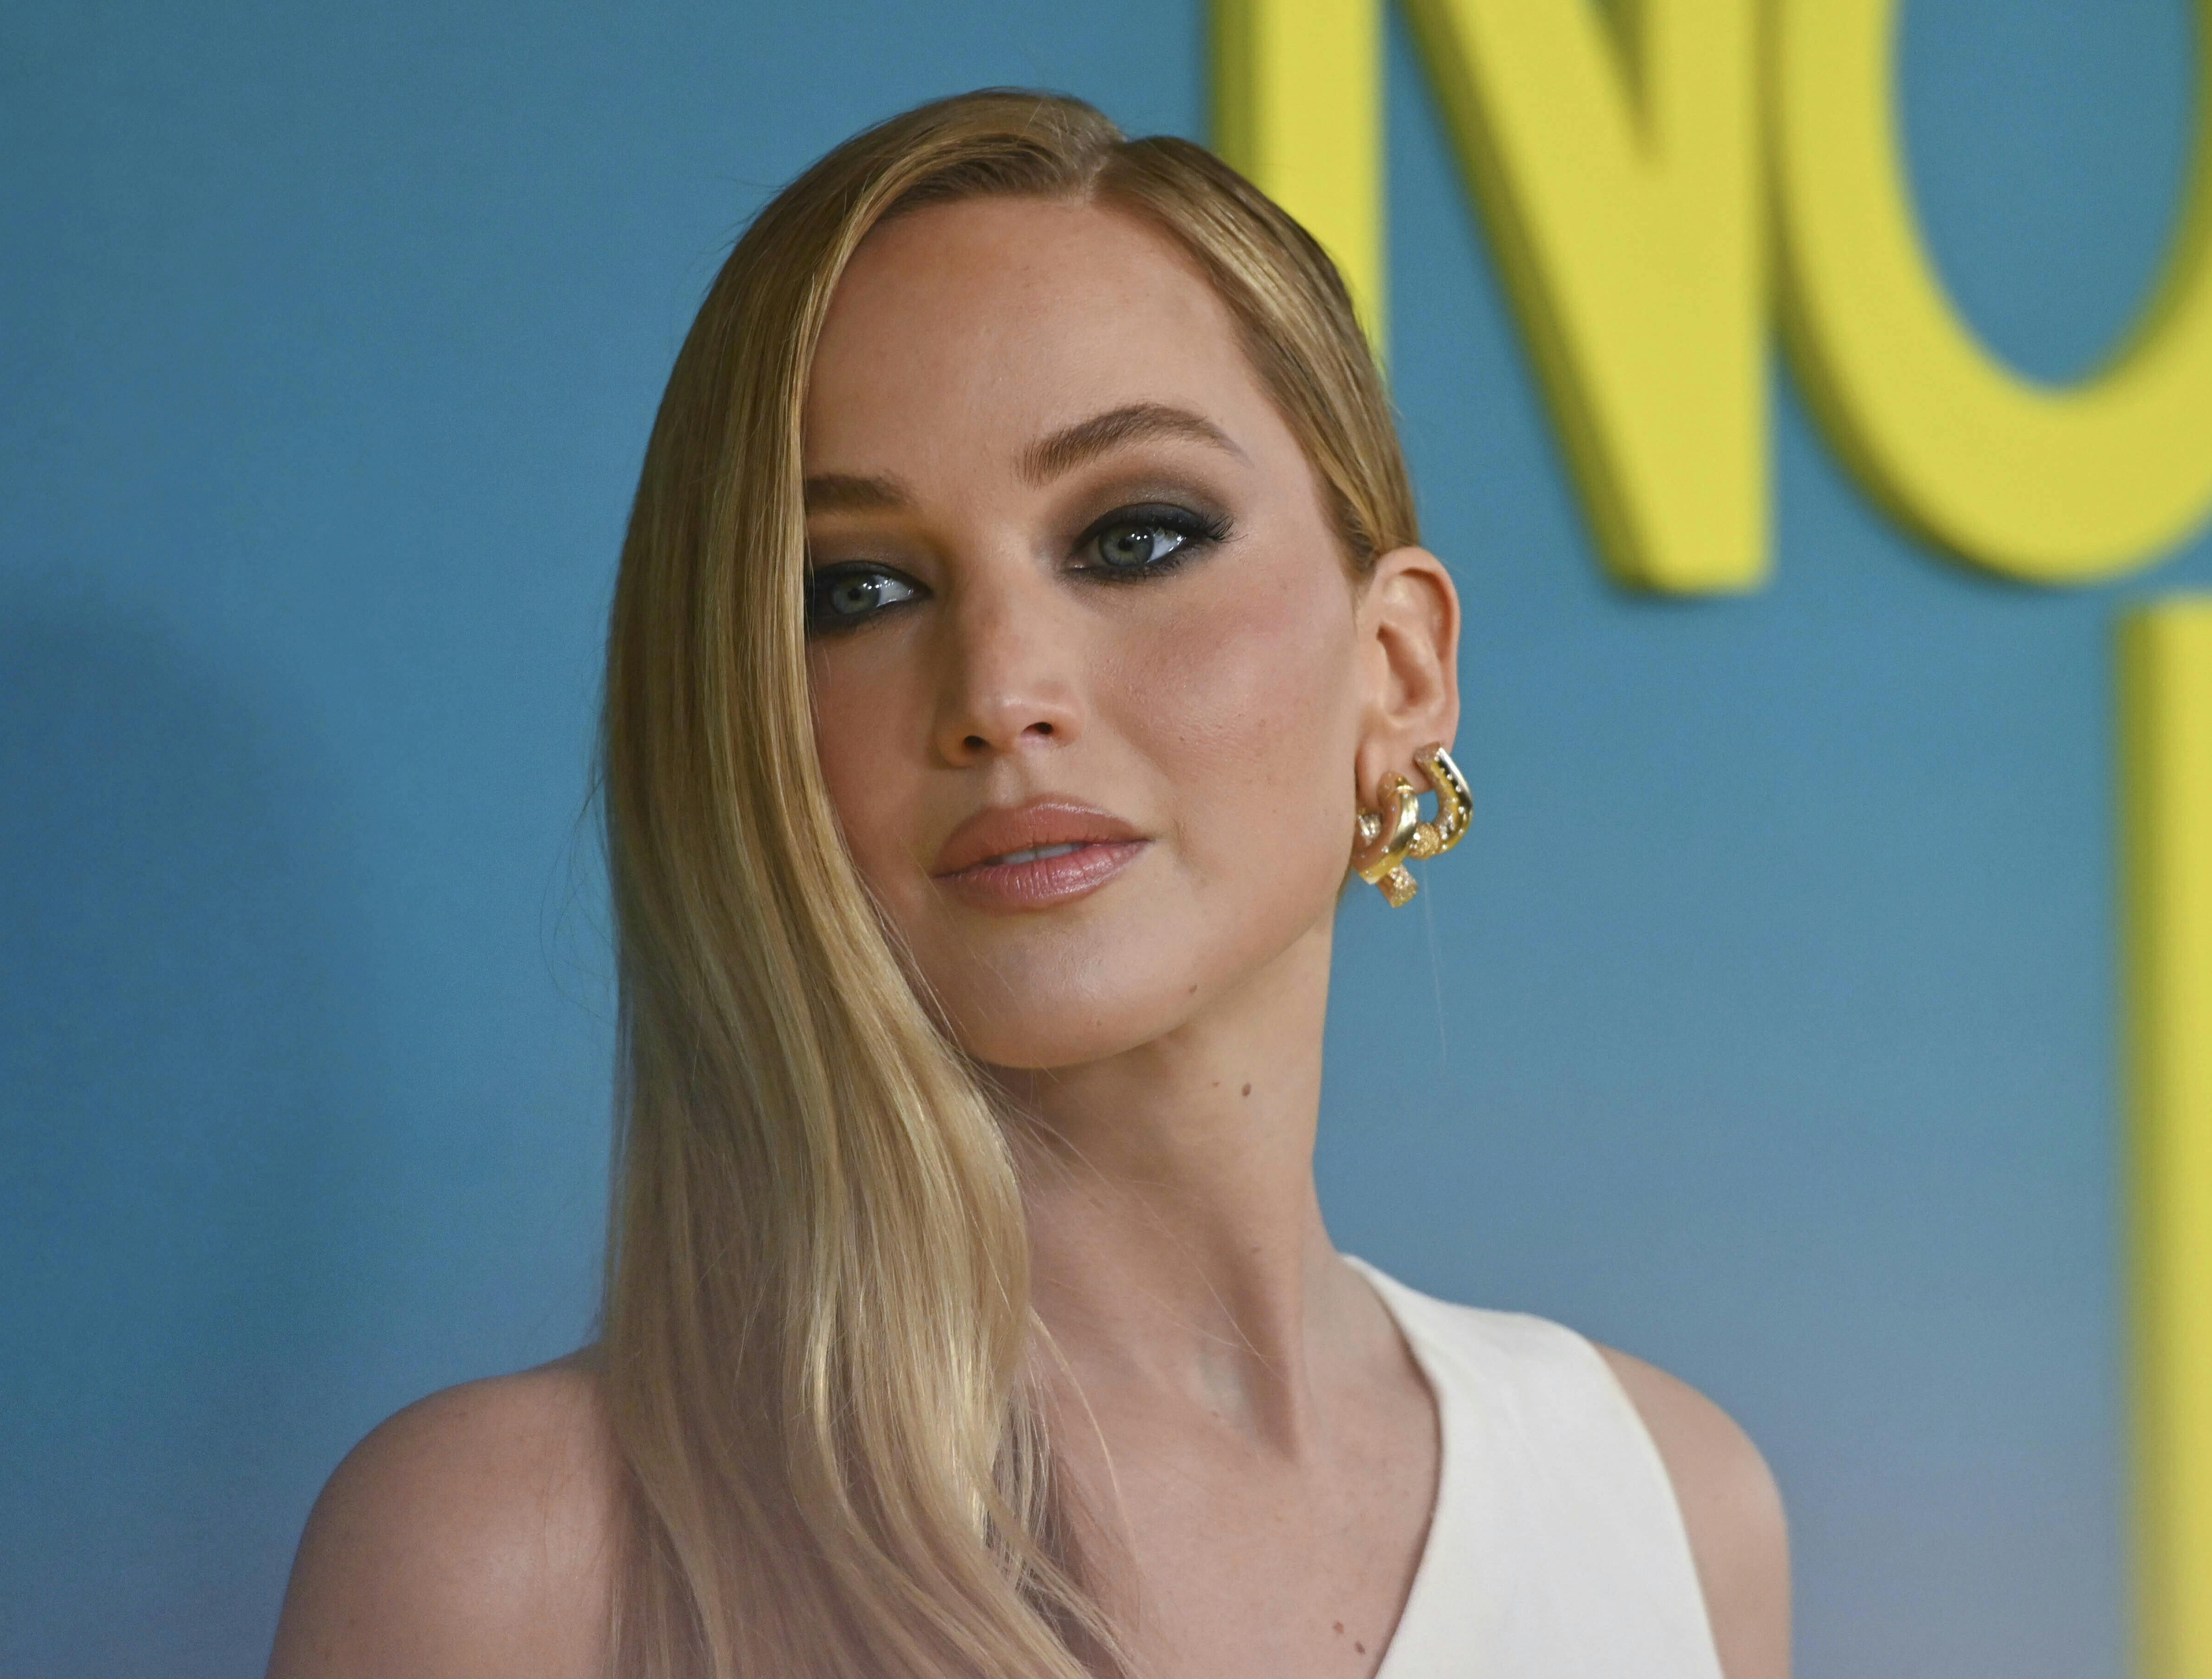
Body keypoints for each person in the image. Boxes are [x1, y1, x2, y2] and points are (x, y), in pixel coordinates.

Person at [265, 90, 1790, 1679]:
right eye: (856, 590)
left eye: (1134, 537)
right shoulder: (516, 1566)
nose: (1000, 686)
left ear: (1400, 666)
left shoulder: (1671, 1510)